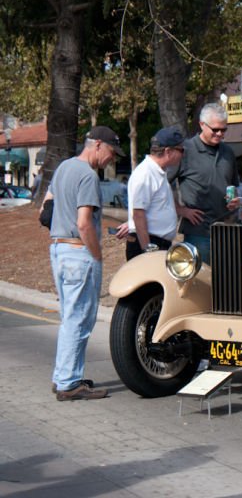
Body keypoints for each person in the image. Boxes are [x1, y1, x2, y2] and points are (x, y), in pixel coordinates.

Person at [43, 125, 124, 401]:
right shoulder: (88, 176)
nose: (111, 159)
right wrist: (96, 254)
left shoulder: (64, 167)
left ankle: (62, 375)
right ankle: (68, 383)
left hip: (58, 249)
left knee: (69, 317)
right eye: (111, 152)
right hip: (79, 251)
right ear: (98, 145)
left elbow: (46, 210)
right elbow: (83, 222)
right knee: (79, 320)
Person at [167, 103, 239, 264]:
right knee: (200, 282)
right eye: (215, 129)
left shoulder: (228, 152)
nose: (220, 134)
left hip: (227, 230)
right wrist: (180, 209)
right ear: (201, 125)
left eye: (224, 130)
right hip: (198, 232)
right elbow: (163, 184)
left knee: (227, 280)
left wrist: (235, 200)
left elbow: (234, 184)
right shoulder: (185, 150)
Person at [125, 127, 185, 260]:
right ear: (168, 151)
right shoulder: (145, 174)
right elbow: (138, 214)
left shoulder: (158, 172)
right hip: (148, 244)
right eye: (181, 150)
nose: (183, 154)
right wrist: (147, 249)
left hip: (157, 243)